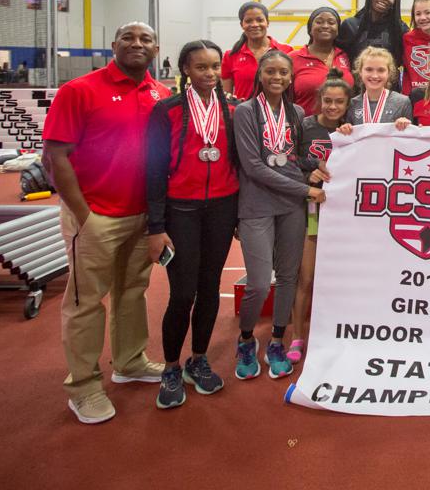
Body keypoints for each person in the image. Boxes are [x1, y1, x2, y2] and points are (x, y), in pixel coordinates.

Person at [42, 22, 172, 424]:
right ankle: (83, 386)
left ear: (156, 48)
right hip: (95, 216)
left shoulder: (161, 94)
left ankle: (130, 361)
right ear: (113, 45)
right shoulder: (79, 90)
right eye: (128, 39)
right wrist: (84, 215)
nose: (137, 44)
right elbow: (55, 157)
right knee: (84, 303)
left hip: (142, 216)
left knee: (132, 292)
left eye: (145, 39)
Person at [146, 40, 238, 409]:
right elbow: (152, 170)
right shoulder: (166, 110)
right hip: (180, 210)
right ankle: (170, 366)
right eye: (202, 67)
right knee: (183, 292)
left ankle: (198, 359)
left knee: (210, 288)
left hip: (222, 206)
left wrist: (240, 216)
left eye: (215, 66)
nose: (211, 74)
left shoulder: (234, 108)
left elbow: (241, 163)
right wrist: (155, 226)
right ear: (186, 69)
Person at [233, 50, 325, 380]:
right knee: (258, 283)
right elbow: (254, 166)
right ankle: (245, 340)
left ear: (290, 78)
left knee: (288, 277)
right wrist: (305, 190)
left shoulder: (297, 112)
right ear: (260, 75)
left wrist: (320, 167)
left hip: (290, 207)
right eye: (270, 71)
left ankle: (276, 340)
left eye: (283, 73)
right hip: (257, 204)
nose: (277, 77)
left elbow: (296, 157)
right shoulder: (245, 112)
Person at [288, 70, 352, 364]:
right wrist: (308, 171)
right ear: (319, 100)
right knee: (307, 276)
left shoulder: (353, 131)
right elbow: (288, 160)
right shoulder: (305, 126)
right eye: (327, 101)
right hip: (313, 209)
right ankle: (297, 335)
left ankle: (337, 334)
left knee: (341, 278)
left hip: (344, 214)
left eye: (339, 102)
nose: (333, 107)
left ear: (347, 104)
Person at [221, 1, 293, 100]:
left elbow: (292, 90)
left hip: (278, 113)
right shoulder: (230, 55)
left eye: (259, 20)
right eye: (248, 21)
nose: (254, 24)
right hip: (243, 113)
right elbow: (226, 96)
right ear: (242, 24)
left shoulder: (286, 51)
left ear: (267, 23)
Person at [290, 7, 354, 115]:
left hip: (343, 128)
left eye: (331, 22)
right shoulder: (293, 58)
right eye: (319, 22)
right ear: (310, 29)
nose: (325, 26)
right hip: (305, 128)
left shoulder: (345, 56)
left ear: (338, 30)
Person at [337, 0, 408, 67]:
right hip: (355, 80)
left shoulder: (400, 29)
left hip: (388, 80)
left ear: (394, 3)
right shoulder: (350, 25)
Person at [347, 47, 413, 126]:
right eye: (369, 69)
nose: (375, 76)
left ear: (389, 73)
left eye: (381, 70)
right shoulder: (352, 104)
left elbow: (410, 136)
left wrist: (405, 125)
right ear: (360, 72)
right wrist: (345, 129)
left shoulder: (402, 102)